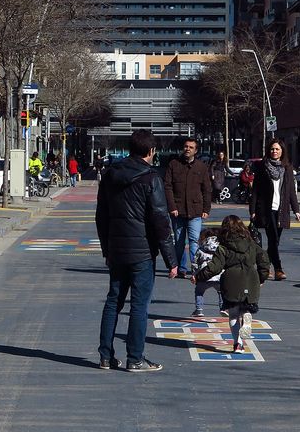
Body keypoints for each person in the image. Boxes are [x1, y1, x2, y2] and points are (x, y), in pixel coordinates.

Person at [96, 129, 177, 372]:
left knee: (113, 302)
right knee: (139, 306)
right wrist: (171, 259)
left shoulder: (110, 174)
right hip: (142, 251)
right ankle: (135, 358)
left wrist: (106, 248)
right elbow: (161, 221)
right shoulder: (151, 178)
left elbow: (101, 215)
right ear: (151, 151)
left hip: (117, 250)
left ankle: (105, 356)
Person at [196, 215, 270, 353]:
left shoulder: (223, 247)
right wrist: (262, 277)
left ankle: (238, 344)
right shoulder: (251, 244)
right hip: (251, 278)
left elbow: (214, 268)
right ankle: (247, 317)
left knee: (233, 313)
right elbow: (264, 260)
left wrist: (199, 276)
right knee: (246, 306)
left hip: (231, 280)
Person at [249, 138, 300, 280]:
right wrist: (252, 210)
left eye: (277, 149)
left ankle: (264, 267)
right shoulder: (262, 167)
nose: (274, 151)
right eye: (272, 149)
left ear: (282, 151)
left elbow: (291, 191)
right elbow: (255, 190)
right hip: (266, 209)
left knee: (275, 241)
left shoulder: (287, 167)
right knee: (272, 238)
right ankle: (278, 269)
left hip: (281, 209)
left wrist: (296, 210)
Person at [164, 137, 211, 278]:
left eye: (191, 147)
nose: (187, 149)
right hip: (177, 211)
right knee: (179, 242)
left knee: (194, 242)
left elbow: (207, 190)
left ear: (196, 151)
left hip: (196, 211)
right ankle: (181, 268)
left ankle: (195, 269)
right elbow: (167, 187)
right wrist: (172, 206)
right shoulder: (174, 164)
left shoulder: (201, 167)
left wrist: (206, 209)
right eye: (186, 146)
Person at [191, 228, 225, 318]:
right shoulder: (220, 248)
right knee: (221, 291)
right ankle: (223, 308)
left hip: (204, 275)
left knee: (199, 291)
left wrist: (194, 274)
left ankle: (199, 309)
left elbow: (194, 262)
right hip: (218, 275)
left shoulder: (201, 248)